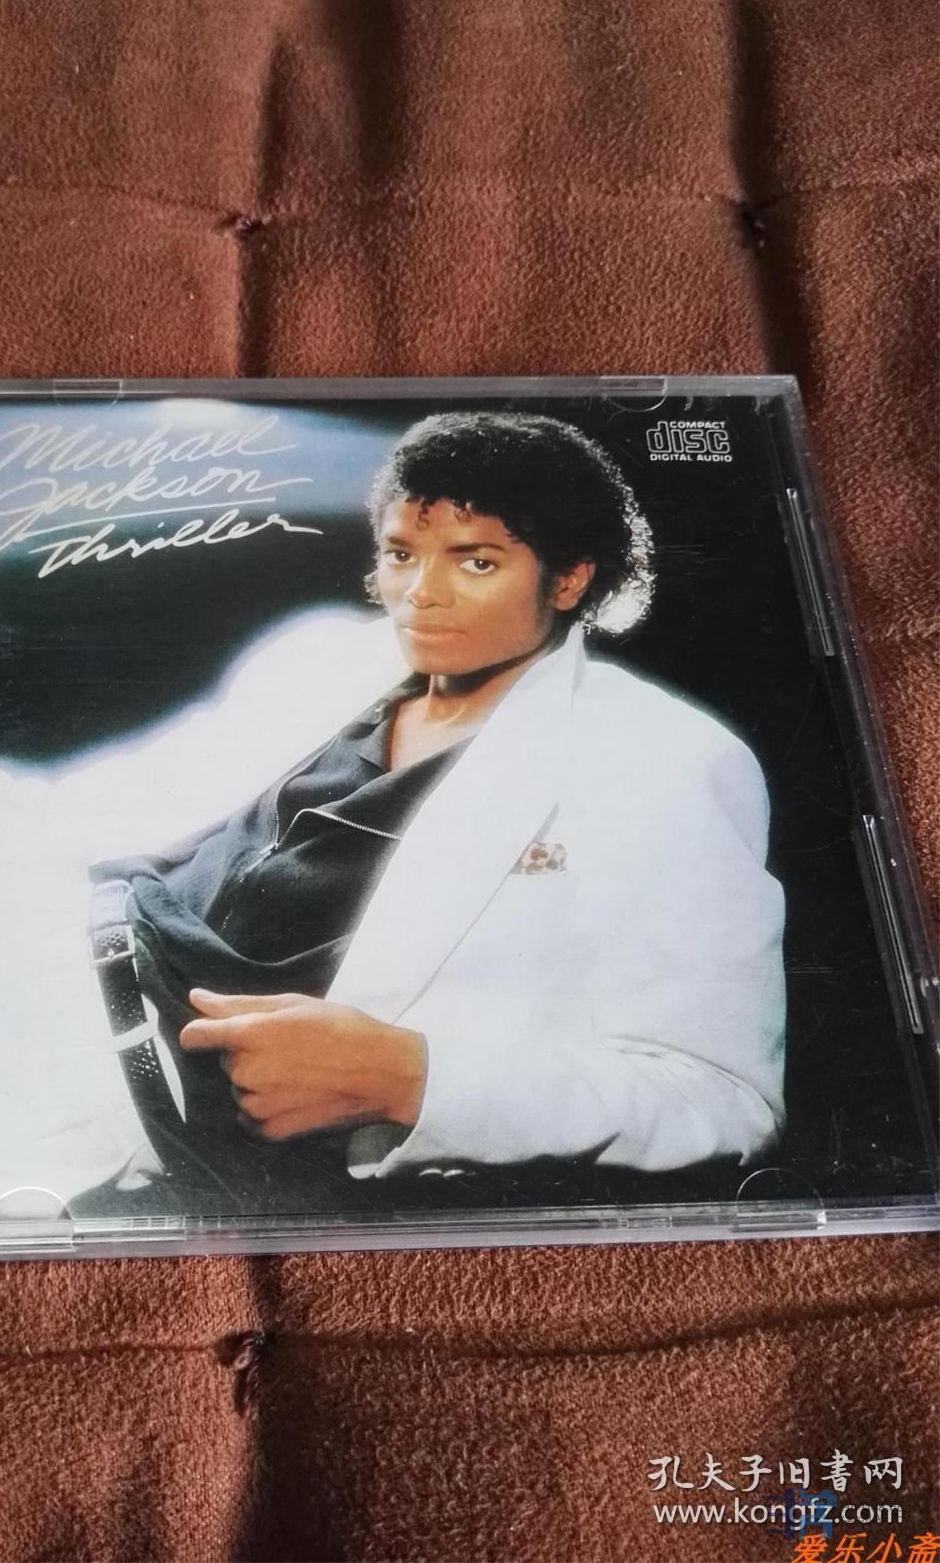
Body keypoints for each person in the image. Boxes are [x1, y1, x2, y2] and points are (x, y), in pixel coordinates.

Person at [74, 411, 786, 1218]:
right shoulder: (321, 655)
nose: (420, 594)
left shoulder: (667, 759)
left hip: (221, 1168)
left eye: (476, 561)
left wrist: (409, 1079)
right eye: (401, 554)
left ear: (569, 579)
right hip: (70, 1019)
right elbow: (108, 808)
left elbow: (721, 1100)